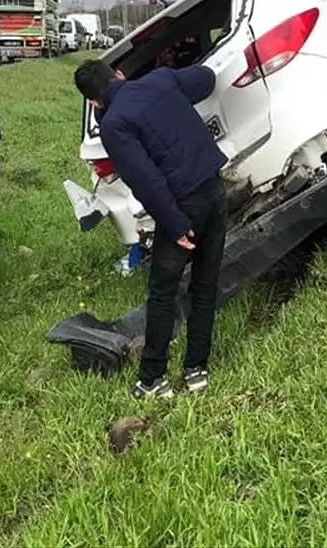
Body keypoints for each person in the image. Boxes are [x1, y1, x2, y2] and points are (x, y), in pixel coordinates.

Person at [74, 59, 228, 399]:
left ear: (93, 102)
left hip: (182, 207)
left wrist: (174, 225)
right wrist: (164, 79)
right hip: (215, 192)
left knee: (162, 292)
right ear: (118, 74)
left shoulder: (114, 124)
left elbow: (146, 180)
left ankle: (153, 379)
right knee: (205, 284)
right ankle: (196, 370)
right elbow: (205, 78)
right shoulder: (160, 80)